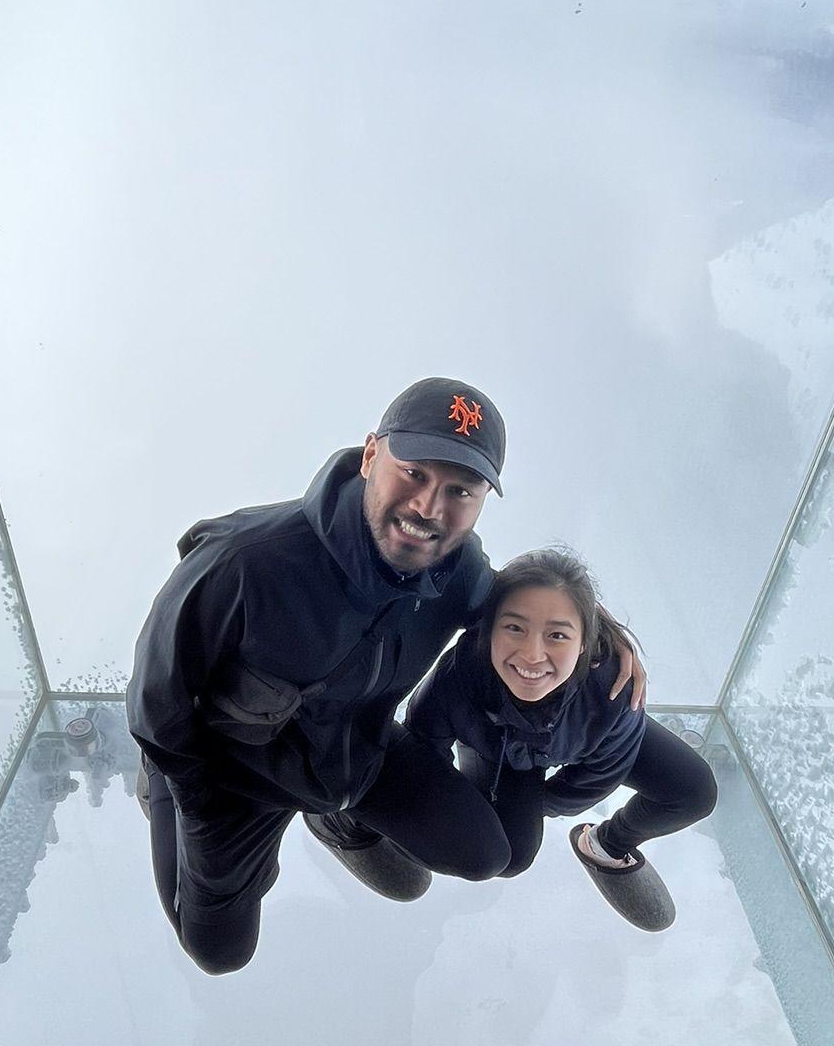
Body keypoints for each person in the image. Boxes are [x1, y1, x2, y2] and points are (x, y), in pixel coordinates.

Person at [127, 379, 645, 974]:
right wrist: (193, 797)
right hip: (235, 779)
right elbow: (155, 705)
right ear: (371, 454)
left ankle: (334, 820)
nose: (429, 508)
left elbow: (519, 605)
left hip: (354, 755)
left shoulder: (460, 574)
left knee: (484, 853)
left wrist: (597, 625)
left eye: (461, 491)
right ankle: (160, 794)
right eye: (415, 473)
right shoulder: (247, 561)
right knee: (218, 952)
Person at [403, 548, 717, 930]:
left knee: (694, 790)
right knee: (512, 856)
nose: (533, 655)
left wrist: (544, 802)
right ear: (489, 630)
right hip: (496, 750)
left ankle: (605, 846)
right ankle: (355, 825)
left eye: (557, 636)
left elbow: (603, 772)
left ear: (585, 642)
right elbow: (423, 746)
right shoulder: (460, 677)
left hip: (580, 733)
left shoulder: (613, 686)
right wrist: (425, 819)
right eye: (514, 628)